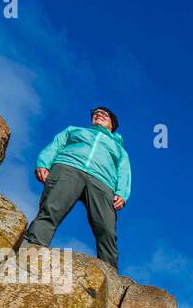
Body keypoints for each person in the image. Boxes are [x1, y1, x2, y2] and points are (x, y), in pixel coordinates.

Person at [25, 106, 131, 269]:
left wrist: (122, 193)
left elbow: (124, 172)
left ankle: (109, 273)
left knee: (106, 229)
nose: (98, 114)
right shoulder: (73, 130)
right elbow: (55, 146)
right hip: (68, 167)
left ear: (113, 124)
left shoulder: (119, 150)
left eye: (104, 114)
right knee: (51, 210)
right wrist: (43, 163)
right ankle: (32, 249)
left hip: (103, 181)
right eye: (96, 113)